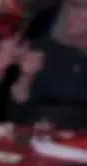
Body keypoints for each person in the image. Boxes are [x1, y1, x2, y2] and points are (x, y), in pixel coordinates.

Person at [7, 0, 87, 128]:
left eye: (83, 8)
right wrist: (25, 77)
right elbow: (16, 117)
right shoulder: (41, 49)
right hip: (39, 140)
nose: (73, 14)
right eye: (71, 6)